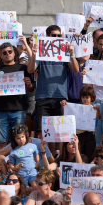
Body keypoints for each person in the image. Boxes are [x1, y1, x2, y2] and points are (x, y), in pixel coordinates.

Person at [28, 25, 78, 155]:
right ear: (47, 36)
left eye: (58, 36)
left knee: (60, 132)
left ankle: (57, 158)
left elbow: (76, 69)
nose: (56, 38)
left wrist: (72, 54)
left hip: (60, 97)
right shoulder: (41, 51)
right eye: (53, 36)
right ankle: (44, 159)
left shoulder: (65, 51)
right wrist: (33, 54)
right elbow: (30, 69)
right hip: (42, 97)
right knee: (41, 132)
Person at [0, 42, 34, 150]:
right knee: (1, 142)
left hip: (19, 110)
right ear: (1, 55)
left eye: (9, 51)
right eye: (4, 52)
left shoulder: (22, 68)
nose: (7, 54)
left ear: (14, 53)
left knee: (20, 141)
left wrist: (29, 84)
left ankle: (20, 165)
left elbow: (31, 89)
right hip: (1, 111)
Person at [62, 86, 99, 160]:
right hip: (78, 134)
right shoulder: (75, 108)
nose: (85, 99)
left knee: (89, 154)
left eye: (87, 97)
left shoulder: (94, 108)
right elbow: (67, 115)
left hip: (90, 134)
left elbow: (99, 117)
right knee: (79, 153)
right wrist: (64, 106)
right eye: (83, 97)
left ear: (92, 98)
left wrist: (98, 110)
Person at [7, 124, 40, 190]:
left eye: (22, 137)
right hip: (21, 174)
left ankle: (35, 199)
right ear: (15, 139)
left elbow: (36, 155)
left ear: (26, 136)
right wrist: (14, 168)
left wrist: (38, 163)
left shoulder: (32, 146)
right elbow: (11, 163)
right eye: (18, 138)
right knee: (23, 190)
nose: (21, 139)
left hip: (32, 172)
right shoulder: (14, 150)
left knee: (35, 187)